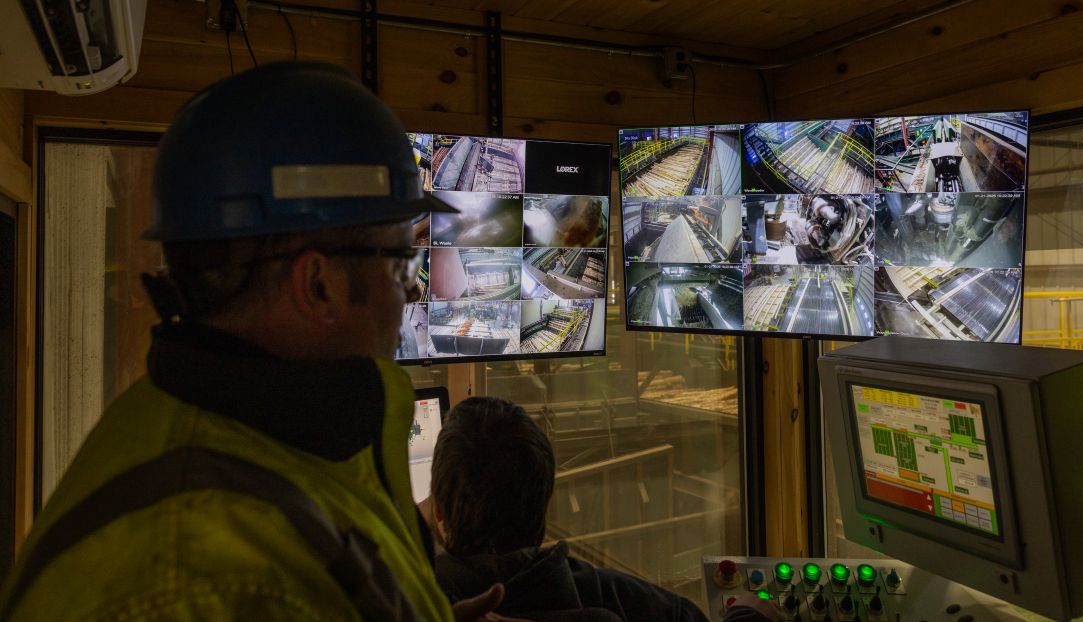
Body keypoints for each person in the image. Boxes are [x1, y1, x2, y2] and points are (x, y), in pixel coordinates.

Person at [0, 62, 514, 621]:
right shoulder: (192, 580)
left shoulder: (267, 433)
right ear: (319, 284)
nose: (413, 289)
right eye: (400, 261)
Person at [428, 396, 777, 622]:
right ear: (544, 501)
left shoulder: (402, 601)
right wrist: (749, 616)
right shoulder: (624, 602)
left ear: (438, 513)